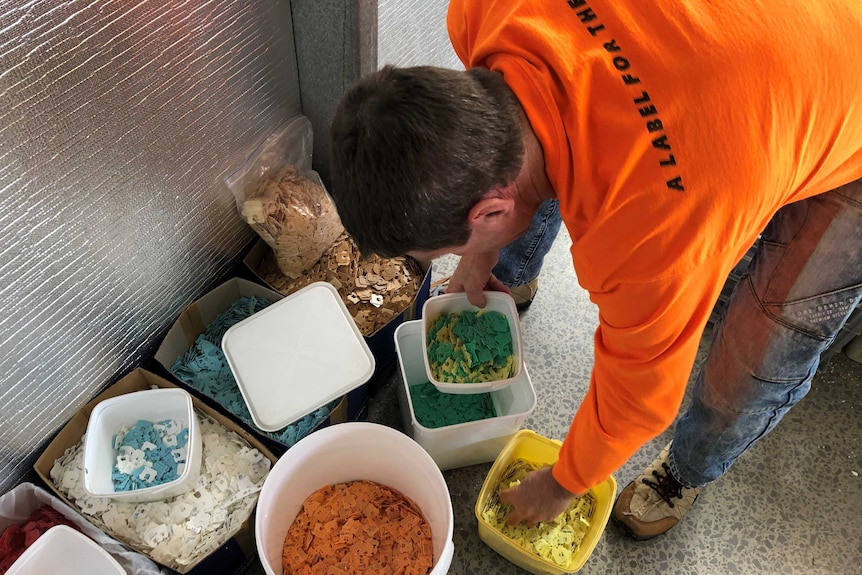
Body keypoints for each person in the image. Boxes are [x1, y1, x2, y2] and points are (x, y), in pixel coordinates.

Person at [328, 0, 862, 540]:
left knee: (766, 336)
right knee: (553, 145)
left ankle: (689, 470)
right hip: (747, 55)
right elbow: (536, 134)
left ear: (489, 211)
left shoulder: (650, 238)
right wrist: (478, 250)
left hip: (846, 89)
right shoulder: (482, 13)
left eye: (444, 249)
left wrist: (563, 482)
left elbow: (640, 400)